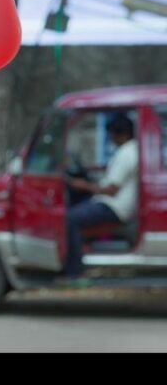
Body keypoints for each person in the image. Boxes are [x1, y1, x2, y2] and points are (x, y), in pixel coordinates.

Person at [62, 113, 139, 279]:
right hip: (110, 203)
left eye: (112, 134)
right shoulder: (129, 150)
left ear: (123, 134)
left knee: (70, 219)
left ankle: (75, 271)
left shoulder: (127, 154)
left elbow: (111, 189)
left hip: (114, 207)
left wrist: (82, 185)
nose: (111, 138)